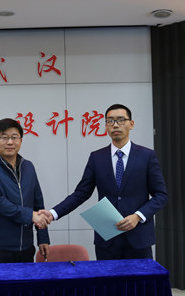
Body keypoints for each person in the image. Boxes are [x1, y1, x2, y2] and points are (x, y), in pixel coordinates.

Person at [41, 104, 168, 260]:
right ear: (106, 126)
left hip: (139, 238)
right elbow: (81, 193)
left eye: (120, 120)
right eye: (110, 121)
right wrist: (52, 213)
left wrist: (138, 216)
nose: (115, 125)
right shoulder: (97, 157)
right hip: (107, 241)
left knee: (140, 277)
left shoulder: (147, 156)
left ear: (131, 124)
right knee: (106, 277)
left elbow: (161, 195)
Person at [0, 118, 50, 263]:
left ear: (21, 141)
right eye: (4, 137)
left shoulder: (28, 167)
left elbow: (38, 203)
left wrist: (43, 237)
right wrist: (30, 215)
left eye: (14, 137)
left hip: (26, 247)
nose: (10, 142)